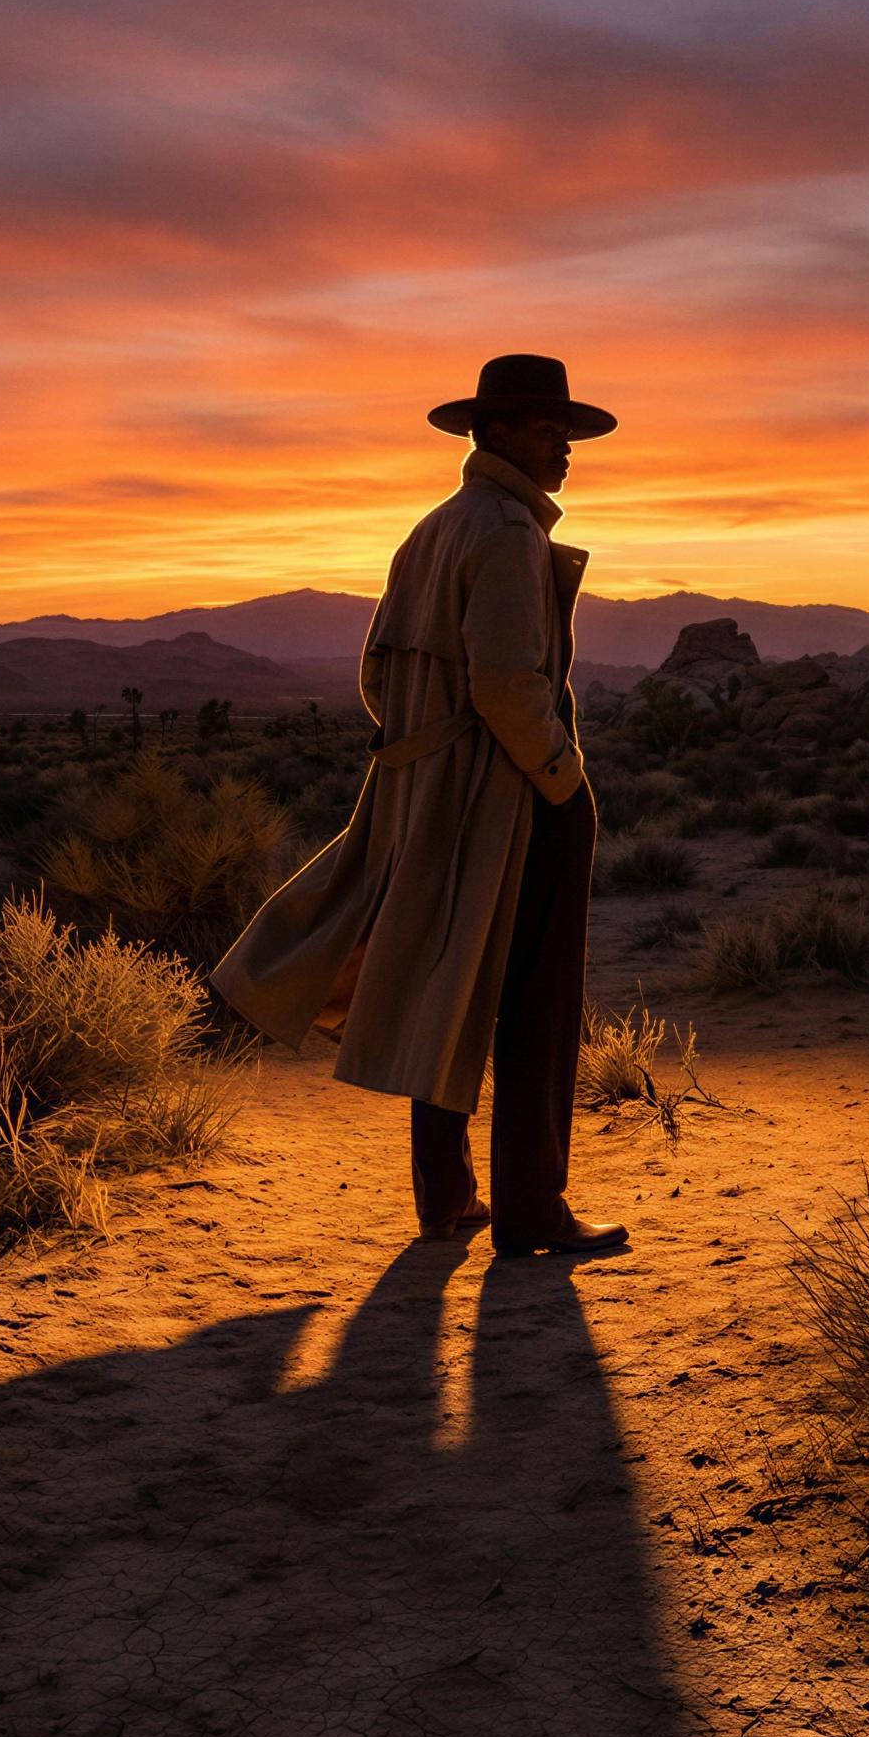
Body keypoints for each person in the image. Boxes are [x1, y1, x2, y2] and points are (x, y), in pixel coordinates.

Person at [208, 354, 628, 1257]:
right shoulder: (509, 531)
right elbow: (511, 687)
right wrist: (562, 778)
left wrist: (424, 751)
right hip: (507, 799)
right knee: (535, 1002)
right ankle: (532, 1210)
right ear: (500, 432)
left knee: (446, 979)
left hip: (419, 792)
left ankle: (447, 1198)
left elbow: (375, 674)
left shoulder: (432, 528)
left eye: (566, 432)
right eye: (550, 430)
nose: (565, 448)